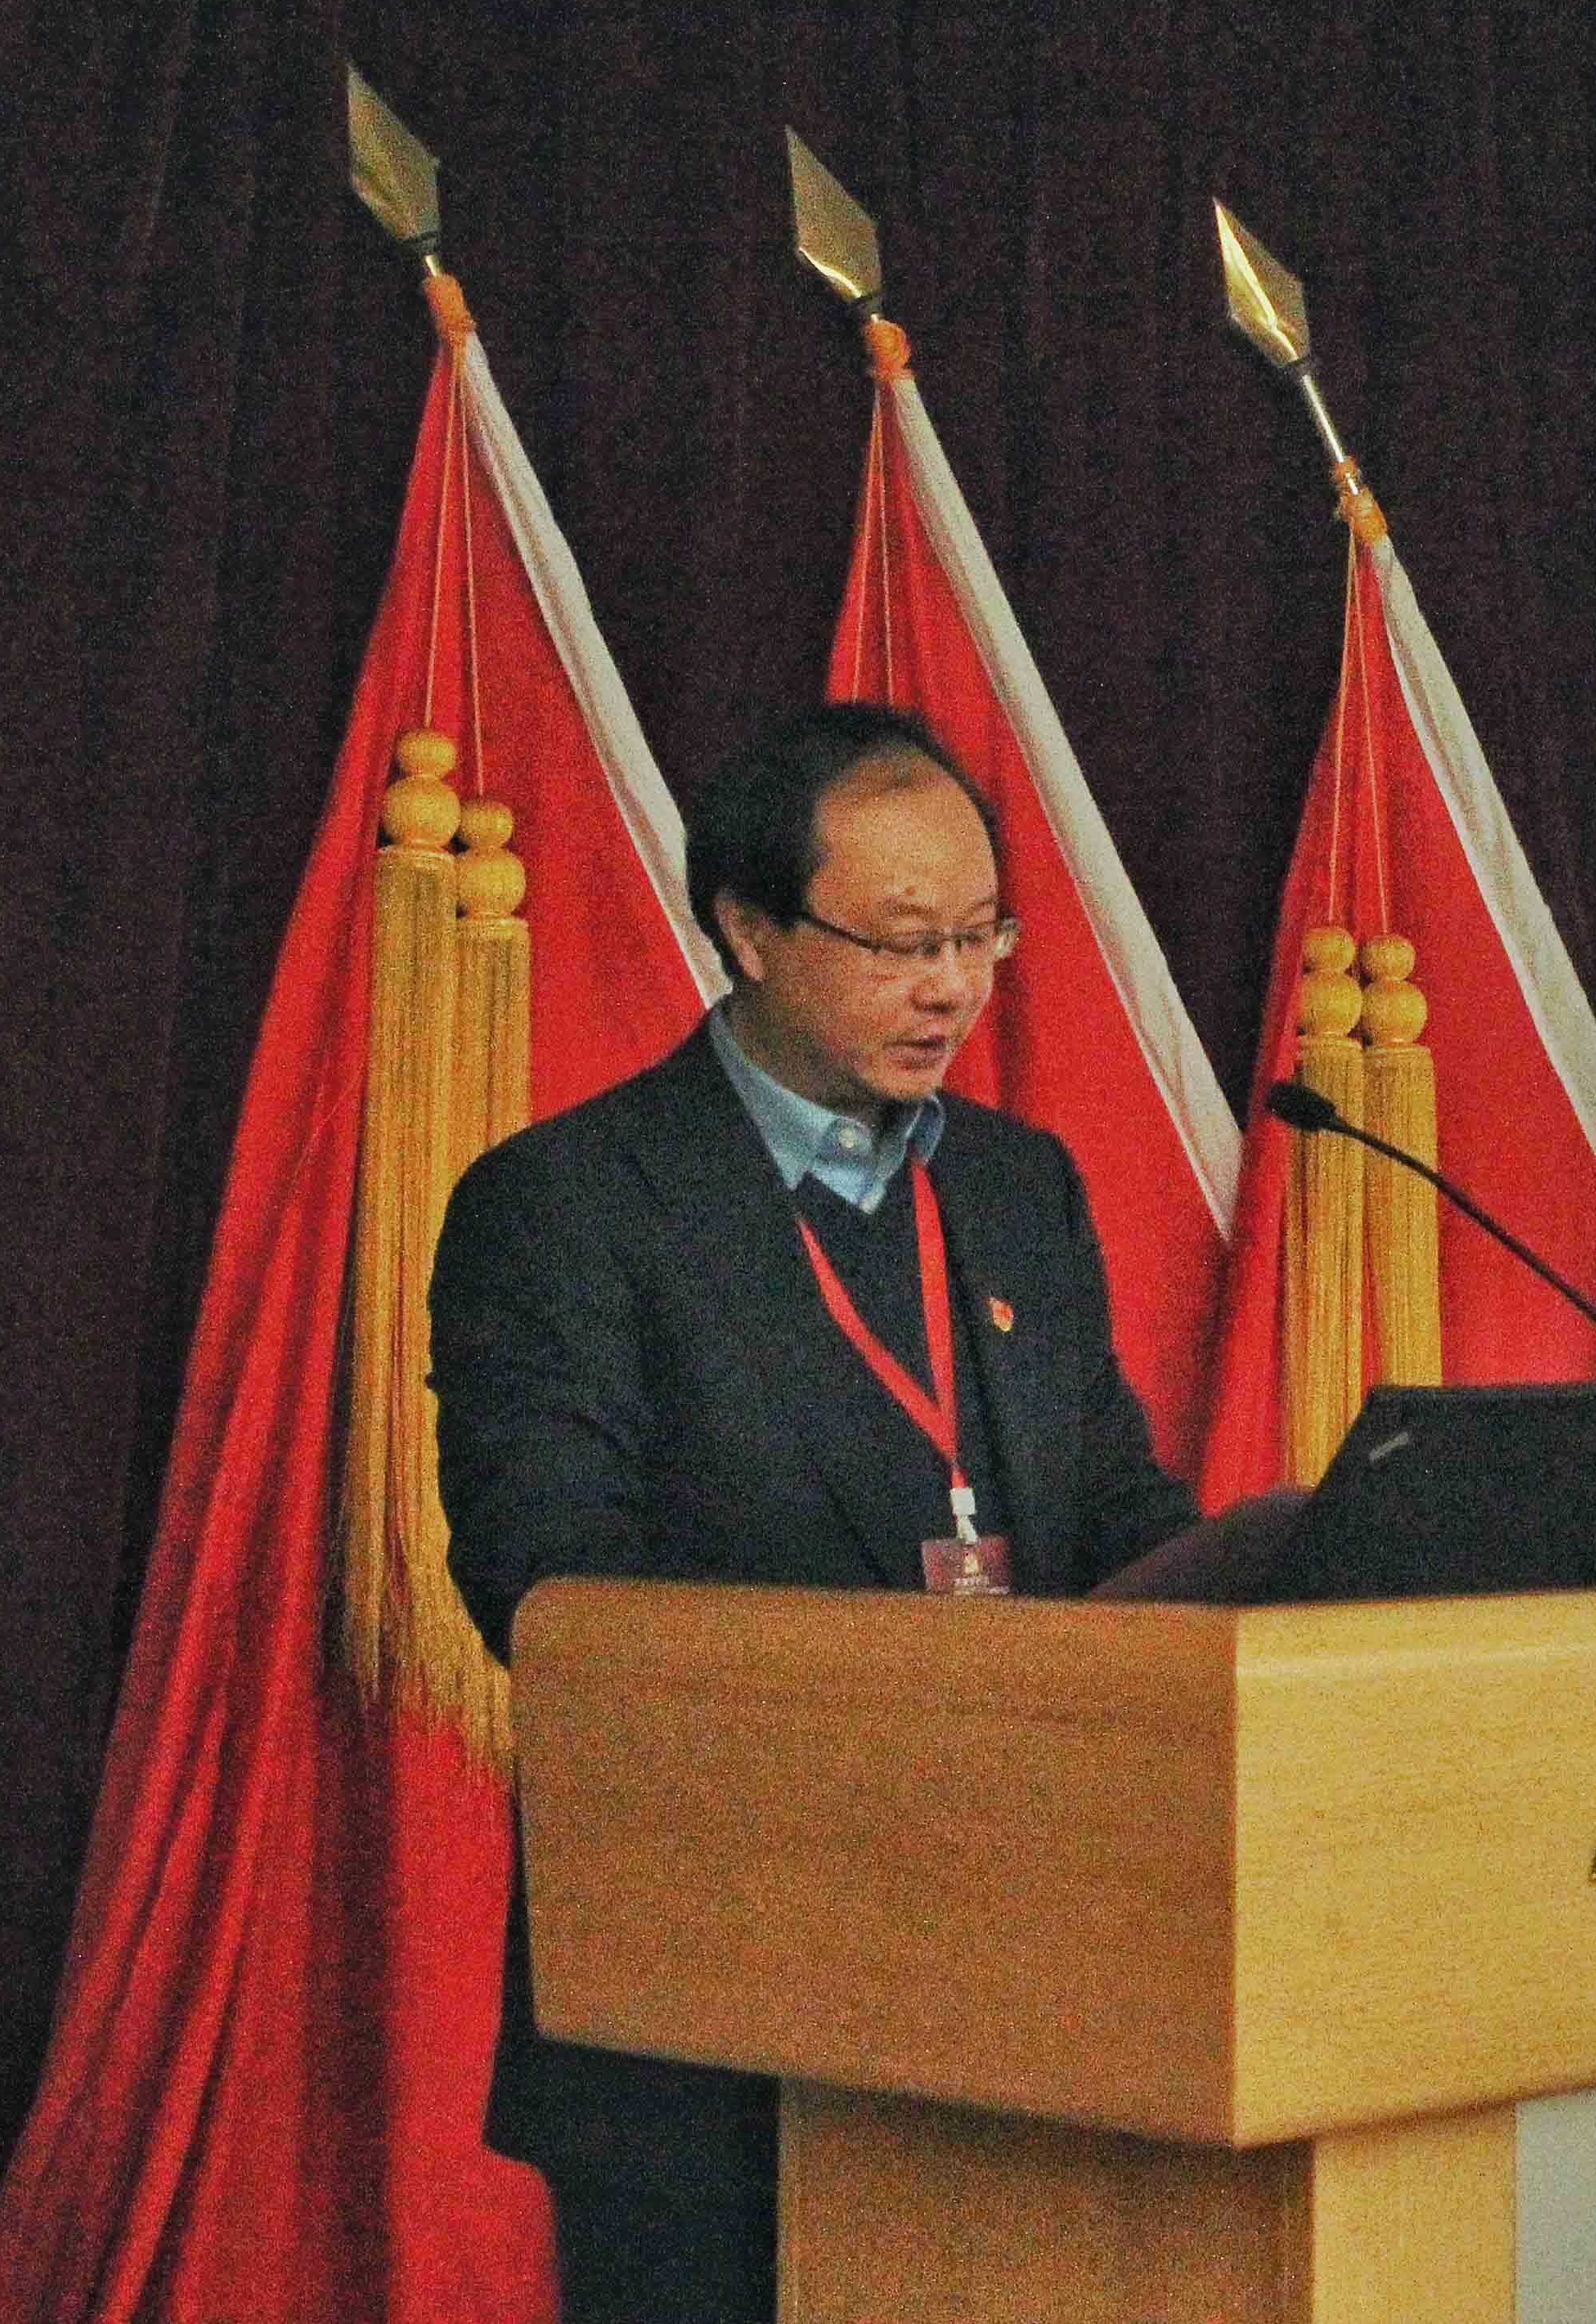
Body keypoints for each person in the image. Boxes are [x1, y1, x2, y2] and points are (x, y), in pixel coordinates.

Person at [433, 700, 1198, 2324]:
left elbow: (1115, 1511)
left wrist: (1271, 1585)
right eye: (904, 942)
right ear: (749, 928)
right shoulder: (568, 1205)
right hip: (713, 2021)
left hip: (1034, 2006)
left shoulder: (1018, 1188)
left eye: (983, 937)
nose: (953, 987)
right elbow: (548, 1585)